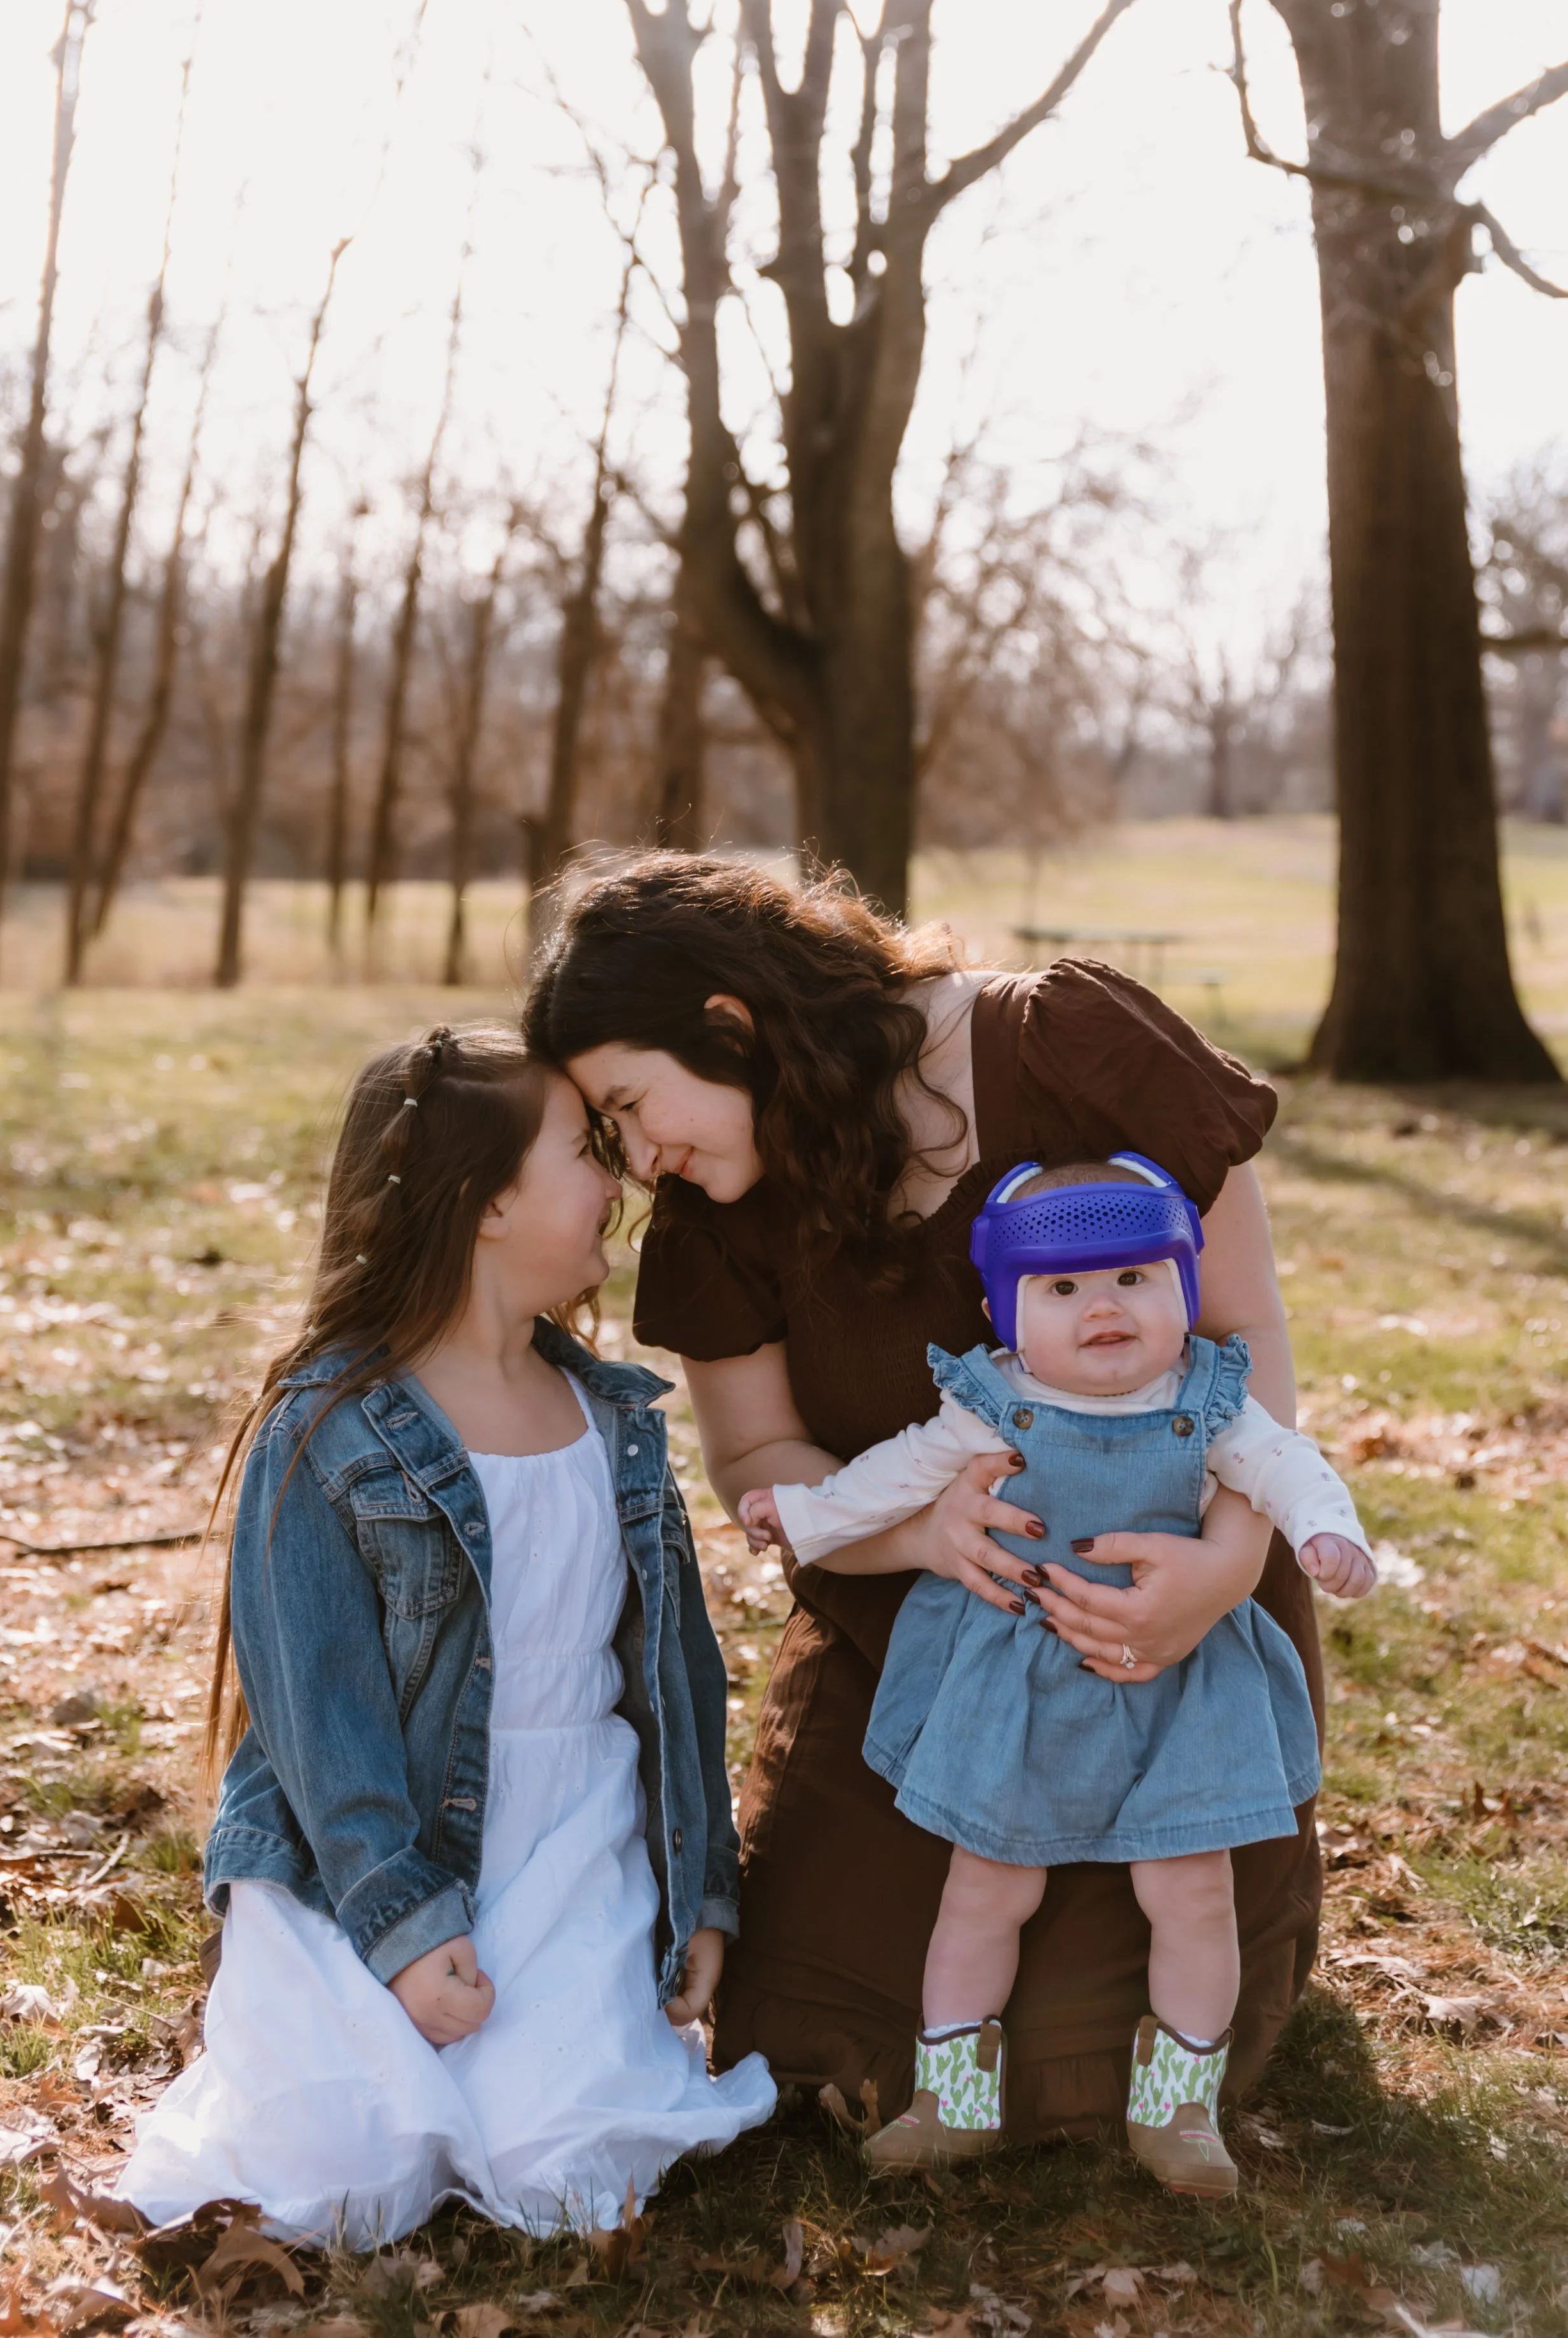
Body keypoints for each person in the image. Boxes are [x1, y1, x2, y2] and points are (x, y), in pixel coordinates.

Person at [522, 854, 1328, 2141]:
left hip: (1173, 1630)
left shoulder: (1067, 1049)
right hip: (921, 1636)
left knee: (1092, 2040)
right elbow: (754, 1456)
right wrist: (917, 1530)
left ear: (726, 1023)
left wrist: (1224, 1569)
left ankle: (1187, 2010)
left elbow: (1245, 1349)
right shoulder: (715, 1206)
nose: (637, 1154)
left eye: (629, 1101)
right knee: (820, 2036)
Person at [120, 1026, 775, 2245]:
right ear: (487, 1204)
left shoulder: (614, 1420)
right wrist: (405, 1925)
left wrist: (702, 1894)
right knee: (337, 2160)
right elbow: (322, 1719)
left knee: (563, 2158)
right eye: (585, 1150)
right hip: (369, 1846)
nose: (620, 1177)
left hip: (574, 1834)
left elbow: (678, 1678)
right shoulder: (328, 1428)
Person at [740, 1153, 1375, 2191]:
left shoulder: (1212, 1399)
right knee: (987, 1885)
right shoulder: (994, 1401)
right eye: (1065, 1287)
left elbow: (1284, 1466)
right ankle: (954, 2098)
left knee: (1192, 1889)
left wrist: (1324, 1530)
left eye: (1134, 1277)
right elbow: (895, 1475)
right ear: (1007, 1310)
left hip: (1176, 1681)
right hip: (1023, 1680)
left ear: (1184, 1286)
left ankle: (1181, 2106)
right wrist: (804, 1513)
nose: (1104, 1306)